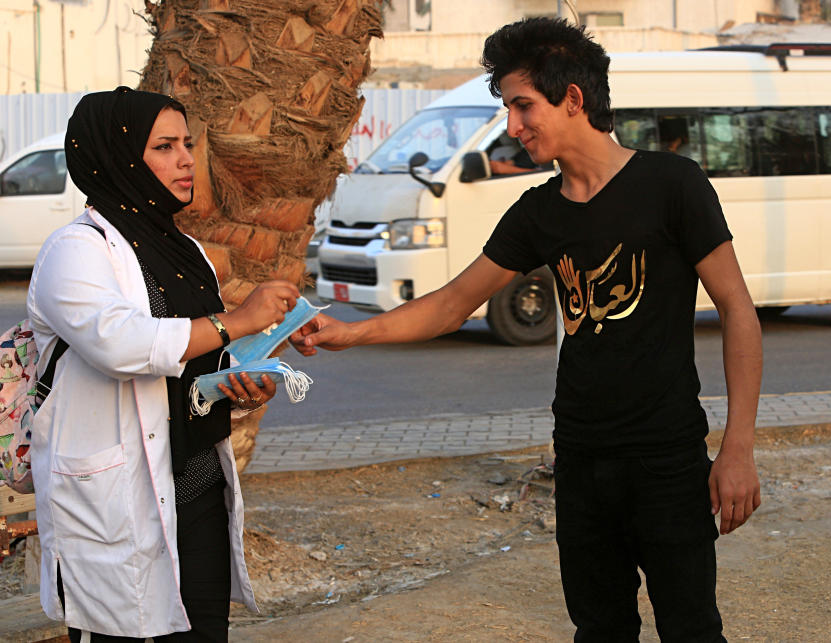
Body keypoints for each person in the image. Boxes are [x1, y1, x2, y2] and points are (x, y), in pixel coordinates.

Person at [292, 17, 762, 642]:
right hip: (580, 457)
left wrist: (737, 449)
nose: (513, 127)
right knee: (598, 629)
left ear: (573, 99)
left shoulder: (672, 185)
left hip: (666, 459)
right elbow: (454, 304)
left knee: (692, 629)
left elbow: (737, 308)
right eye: (509, 108)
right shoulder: (538, 211)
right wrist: (349, 334)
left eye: (522, 106)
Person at [27, 87, 300, 641]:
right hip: (117, 495)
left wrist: (239, 379)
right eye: (164, 146)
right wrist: (239, 320)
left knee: (200, 631)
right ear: (118, 156)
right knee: (118, 631)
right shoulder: (77, 250)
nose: (185, 159)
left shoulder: (185, 251)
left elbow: (196, 358)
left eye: (188, 143)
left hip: (194, 481)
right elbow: (123, 346)